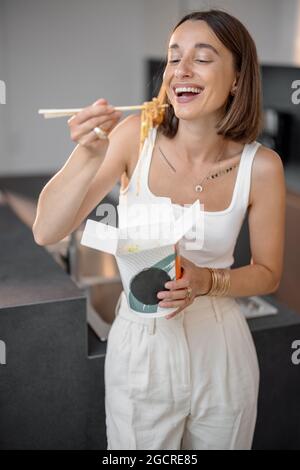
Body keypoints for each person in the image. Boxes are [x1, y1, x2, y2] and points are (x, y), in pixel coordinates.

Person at [33, 9, 285, 450]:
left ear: (239, 78)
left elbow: (268, 272)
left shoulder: (262, 167)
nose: (180, 70)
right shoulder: (134, 136)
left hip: (222, 351)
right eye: (173, 58)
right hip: (140, 350)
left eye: (202, 58)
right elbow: (48, 230)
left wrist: (208, 280)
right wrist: (86, 156)